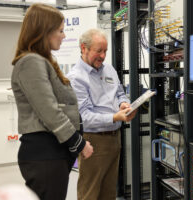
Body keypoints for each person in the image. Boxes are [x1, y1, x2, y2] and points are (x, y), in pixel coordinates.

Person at [11, 3, 93, 200]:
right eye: (60, 31)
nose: (64, 36)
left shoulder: (42, 61)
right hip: (45, 154)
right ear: (44, 31)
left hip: (52, 153)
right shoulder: (31, 62)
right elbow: (49, 111)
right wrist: (78, 143)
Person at [67, 29, 137, 200]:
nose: (103, 56)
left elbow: (120, 93)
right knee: (90, 193)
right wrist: (115, 117)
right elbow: (84, 117)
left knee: (108, 193)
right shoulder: (76, 78)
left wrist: (123, 103)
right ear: (84, 48)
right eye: (99, 51)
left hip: (115, 138)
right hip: (93, 141)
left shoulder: (109, 70)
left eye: (105, 51)